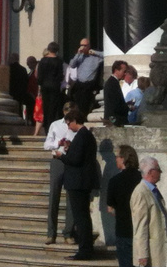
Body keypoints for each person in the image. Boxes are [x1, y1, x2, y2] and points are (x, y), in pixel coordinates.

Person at [61, 111, 99, 259]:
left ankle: (85, 250)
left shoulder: (83, 135)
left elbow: (76, 160)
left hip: (79, 182)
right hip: (81, 182)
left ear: (75, 120)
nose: (68, 127)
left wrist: (62, 156)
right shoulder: (85, 135)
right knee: (82, 217)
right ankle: (85, 248)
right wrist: (70, 149)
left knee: (81, 217)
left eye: (69, 123)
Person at [106, 144, 143, 267]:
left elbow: (110, 208)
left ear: (123, 159)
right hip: (141, 231)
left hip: (124, 230)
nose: (115, 159)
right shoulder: (142, 179)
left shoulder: (115, 181)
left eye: (117, 156)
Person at [131, 156, 167, 267]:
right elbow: (140, 225)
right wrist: (142, 254)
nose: (160, 172)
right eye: (158, 169)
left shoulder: (152, 190)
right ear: (151, 172)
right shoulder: (141, 192)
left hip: (156, 252)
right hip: (149, 255)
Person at [67, 39, 104, 116]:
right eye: (81, 45)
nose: (83, 47)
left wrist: (94, 52)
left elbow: (106, 55)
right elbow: (72, 65)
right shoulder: (80, 56)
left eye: (85, 45)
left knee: (85, 105)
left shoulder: (95, 57)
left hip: (89, 84)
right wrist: (78, 54)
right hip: (79, 83)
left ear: (89, 46)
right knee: (76, 103)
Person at [38, 43, 65, 125]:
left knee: (46, 107)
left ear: (49, 49)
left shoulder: (42, 61)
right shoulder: (59, 61)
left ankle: (46, 126)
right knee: (54, 107)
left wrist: (40, 85)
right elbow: (60, 75)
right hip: (55, 86)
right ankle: (52, 124)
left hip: (45, 86)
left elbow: (40, 76)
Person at [103, 61, 129, 127]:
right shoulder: (112, 83)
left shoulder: (113, 82)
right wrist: (128, 107)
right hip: (115, 121)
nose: (125, 74)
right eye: (124, 71)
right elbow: (115, 104)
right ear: (116, 70)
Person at [8, 53, 31, 119]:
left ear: (11, 59)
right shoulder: (23, 69)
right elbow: (26, 81)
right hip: (21, 91)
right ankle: (20, 117)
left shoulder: (9, 68)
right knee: (19, 106)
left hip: (11, 91)